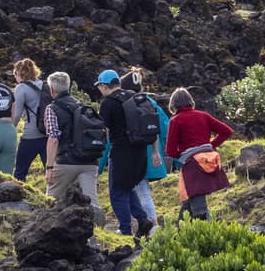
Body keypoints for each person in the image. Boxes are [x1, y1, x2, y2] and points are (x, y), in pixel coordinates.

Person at [97, 68, 159, 242]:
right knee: (129, 188)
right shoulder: (133, 96)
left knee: (117, 192)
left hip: (121, 152)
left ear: (103, 85)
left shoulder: (108, 103)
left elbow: (105, 130)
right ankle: (143, 220)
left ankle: (124, 230)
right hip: (140, 152)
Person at [166, 87, 234, 220]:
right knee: (190, 199)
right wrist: (210, 146)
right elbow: (227, 131)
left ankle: (206, 233)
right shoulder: (203, 115)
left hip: (192, 165)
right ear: (191, 101)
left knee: (198, 208)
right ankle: (180, 232)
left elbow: (170, 151)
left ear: (173, 104)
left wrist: (183, 155)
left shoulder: (176, 120)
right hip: (209, 159)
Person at [42, 71, 102, 205]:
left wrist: (49, 168)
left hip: (65, 162)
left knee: (51, 201)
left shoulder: (52, 109)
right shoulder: (83, 107)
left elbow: (53, 139)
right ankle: (96, 224)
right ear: (68, 87)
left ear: (52, 89)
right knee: (91, 203)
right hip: (89, 162)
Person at [8, 58, 48, 180]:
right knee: (52, 172)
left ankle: (19, 197)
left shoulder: (21, 88)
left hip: (31, 135)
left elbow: (16, 116)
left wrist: (7, 131)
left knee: (20, 172)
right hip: (48, 134)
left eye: (15, 74)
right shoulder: (45, 85)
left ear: (19, 73)